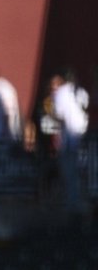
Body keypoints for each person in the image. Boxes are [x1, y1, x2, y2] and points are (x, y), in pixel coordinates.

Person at [50, 68, 90, 212]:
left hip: (69, 137)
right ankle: (82, 201)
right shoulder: (82, 91)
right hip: (85, 135)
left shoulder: (60, 93)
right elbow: (86, 109)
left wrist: (53, 116)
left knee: (69, 171)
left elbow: (59, 115)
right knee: (85, 171)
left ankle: (73, 203)